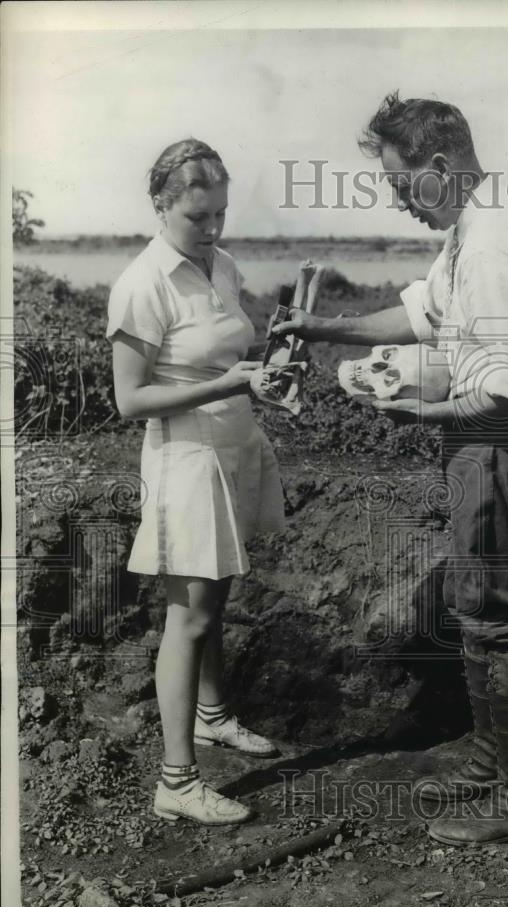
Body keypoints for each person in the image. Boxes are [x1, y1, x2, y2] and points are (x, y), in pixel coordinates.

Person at [274, 93, 508, 846]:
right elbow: (423, 314)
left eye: (404, 184)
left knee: (501, 618)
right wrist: (326, 327)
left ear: (440, 167)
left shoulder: (498, 239)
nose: (400, 201)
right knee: (478, 602)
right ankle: (490, 755)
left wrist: (421, 412)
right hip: (487, 439)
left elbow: (507, 387)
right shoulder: (475, 225)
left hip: (505, 441)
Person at [107, 138, 285, 826]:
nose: (212, 230)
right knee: (190, 615)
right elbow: (129, 401)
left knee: (218, 591)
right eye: (198, 218)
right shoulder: (142, 282)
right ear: (161, 205)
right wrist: (224, 382)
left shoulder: (224, 266)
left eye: (220, 215)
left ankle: (212, 716)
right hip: (186, 456)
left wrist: (259, 380)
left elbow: (228, 354)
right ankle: (176, 782)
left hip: (235, 442)